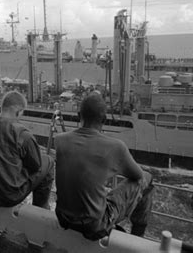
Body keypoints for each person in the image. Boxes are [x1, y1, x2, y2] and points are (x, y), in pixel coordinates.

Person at [54, 94, 154, 241]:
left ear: (78, 115)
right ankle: (138, 238)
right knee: (147, 178)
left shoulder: (59, 140)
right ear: (104, 119)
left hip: (63, 218)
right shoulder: (116, 147)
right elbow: (138, 176)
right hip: (94, 226)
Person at [0, 91, 54, 209]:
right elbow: (35, 166)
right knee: (48, 161)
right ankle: (41, 207)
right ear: (18, 112)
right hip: (8, 197)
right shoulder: (21, 134)